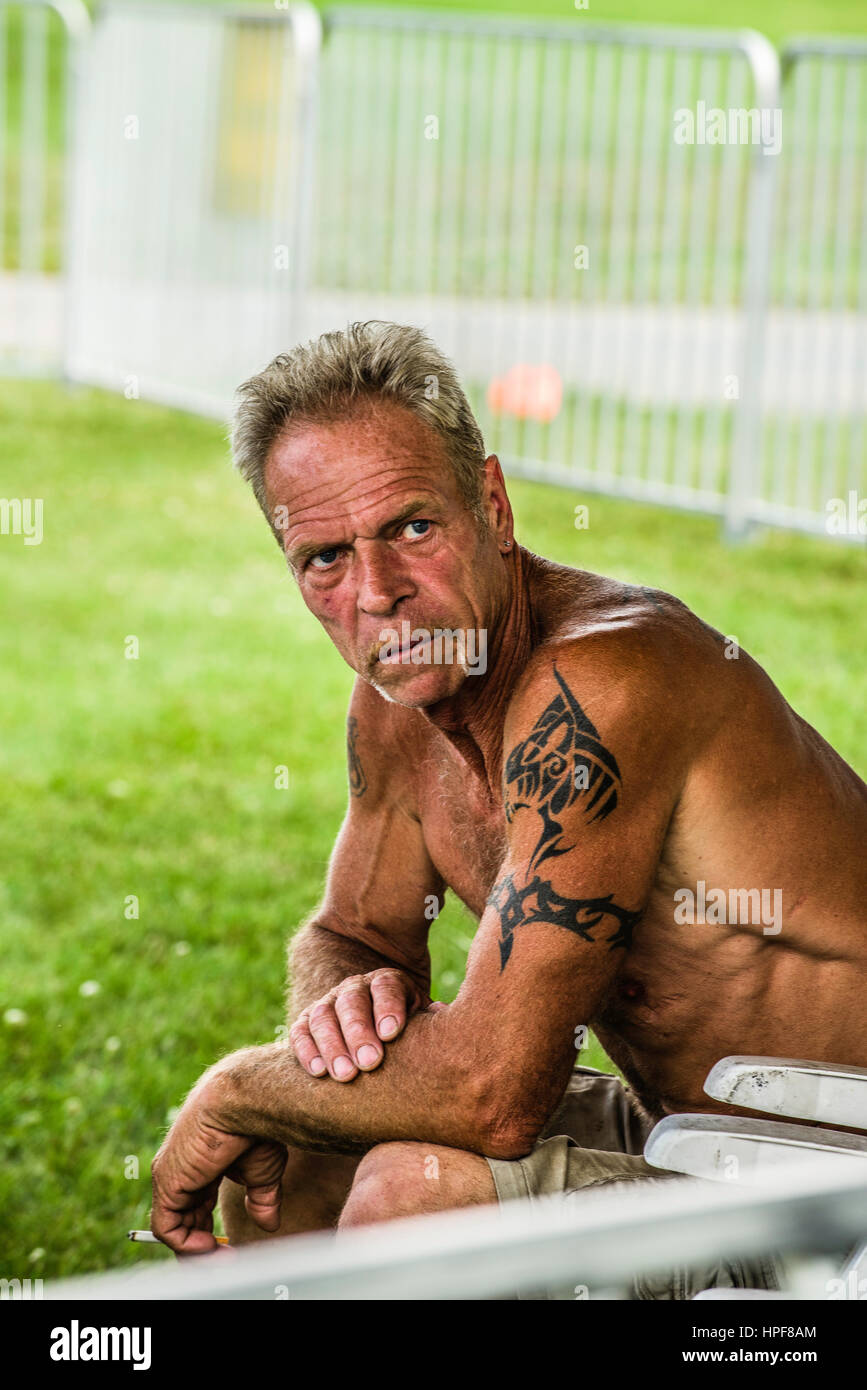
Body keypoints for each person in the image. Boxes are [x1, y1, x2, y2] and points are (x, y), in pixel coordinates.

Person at [150, 321, 867, 1297]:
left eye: (412, 527)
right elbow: (354, 928)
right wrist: (340, 1004)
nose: (380, 594)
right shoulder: (399, 709)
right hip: (694, 1139)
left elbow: (496, 1093)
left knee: (414, 1193)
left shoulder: (610, 679)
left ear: (491, 504)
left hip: (835, 1195)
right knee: (299, 1153)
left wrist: (235, 1086)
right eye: (324, 558)